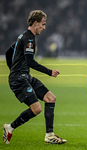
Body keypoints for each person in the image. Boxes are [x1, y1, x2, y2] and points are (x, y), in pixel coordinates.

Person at [3, 10, 66, 144]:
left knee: (50, 98)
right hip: (19, 79)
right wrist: (49, 72)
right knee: (37, 109)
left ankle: (49, 135)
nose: (44, 28)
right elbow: (30, 62)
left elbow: (9, 52)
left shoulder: (23, 36)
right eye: (42, 24)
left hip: (24, 76)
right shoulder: (29, 39)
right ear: (35, 23)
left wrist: (13, 68)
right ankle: (10, 127)